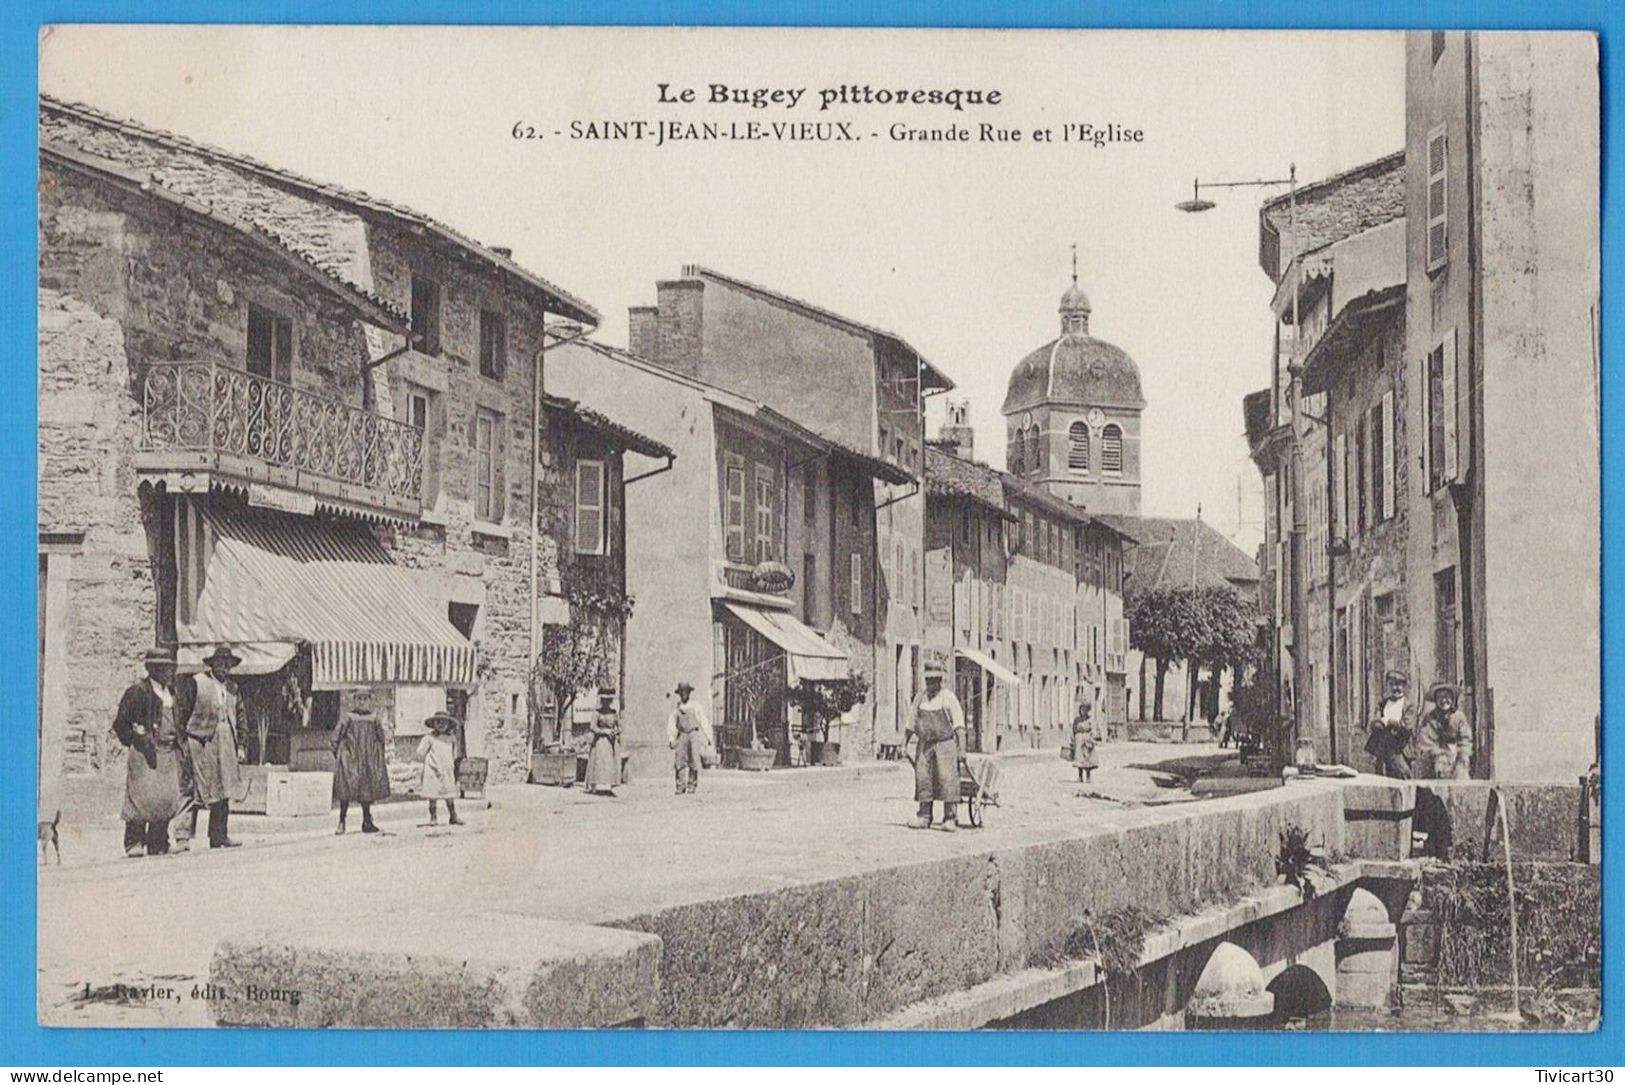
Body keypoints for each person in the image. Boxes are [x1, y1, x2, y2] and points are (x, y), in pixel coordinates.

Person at [110, 647, 187, 857]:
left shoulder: (172, 693)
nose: (168, 672)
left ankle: (158, 841)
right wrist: (137, 740)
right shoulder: (138, 692)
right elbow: (121, 724)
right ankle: (134, 842)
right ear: (153, 669)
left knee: (164, 798)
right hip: (145, 753)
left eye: (170, 668)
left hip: (168, 754)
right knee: (140, 797)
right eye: (164, 668)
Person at [182, 645, 246, 848]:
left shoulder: (233, 689)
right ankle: (183, 836)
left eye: (227, 665)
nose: (224, 669)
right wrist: (185, 741)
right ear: (213, 665)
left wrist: (241, 745)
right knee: (197, 788)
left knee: (223, 788)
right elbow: (183, 712)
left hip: (227, 740)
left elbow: (242, 718)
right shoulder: (198, 683)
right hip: (203, 740)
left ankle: (219, 836)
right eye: (220, 664)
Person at [906, 660, 966, 831]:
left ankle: (950, 817)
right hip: (925, 745)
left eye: (934, 680)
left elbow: (959, 726)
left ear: (940, 680)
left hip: (945, 744)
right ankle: (924, 816)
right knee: (923, 779)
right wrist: (903, 744)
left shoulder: (949, 698)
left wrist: (962, 749)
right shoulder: (920, 698)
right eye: (928, 680)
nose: (931, 684)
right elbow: (910, 723)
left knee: (947, 780)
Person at [331, 704, 390, 834]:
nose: (362, 702)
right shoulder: (347, 718)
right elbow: (335, 738)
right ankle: (342, 821)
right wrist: (341, 756)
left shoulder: (374, 718)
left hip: (367, 759)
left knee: (366, 790)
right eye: (359, 699)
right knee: (345, 789)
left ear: (370, 700)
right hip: (351, 758)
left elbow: (381, 738)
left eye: (365, 699)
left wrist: (376, 757)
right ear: (355, 700)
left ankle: (367, 821)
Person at [1416, 682, 1473, 780]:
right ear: (1435, 700)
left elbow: (1466, 739)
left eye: (1447, 697)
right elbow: (1425, 740)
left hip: (1456, 754)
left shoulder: (1459, 717)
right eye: (1440, 697)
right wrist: (1438, 754)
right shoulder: (1430, 718)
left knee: (1461, 775)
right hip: (1436, 756)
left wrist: (1462, 755)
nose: (1444, 700)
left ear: (1452, 698)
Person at [1364, 670, 1414, 779]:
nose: (1395, 688)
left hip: (1398, 748)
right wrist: (1378, 723)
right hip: (1382, 747)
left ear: (1404, 687)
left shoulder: (1409, 706)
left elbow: (1406, 726)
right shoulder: (1383, 704)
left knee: (1402, 774)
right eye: (1391, 684)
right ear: (1386, 686)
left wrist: (1388, 722)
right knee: (1380, 777)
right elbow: (1375, 722)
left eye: (1399, 685)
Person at [667, 681, 714, 795]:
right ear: (679, 694)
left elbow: (703, 721)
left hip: (693, 734)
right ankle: (680, 786)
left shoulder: (695, 706)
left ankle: (692, 785)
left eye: (686, 692)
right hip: (682, 734)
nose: (684, 695)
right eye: (682, 692)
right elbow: (672, 723)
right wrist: (671, 739)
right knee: (679, 760)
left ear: (689, 693)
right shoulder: (677, 707)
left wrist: (709, 737)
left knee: (694, 760)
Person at [416, 712, 463, 826]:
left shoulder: (451, 738)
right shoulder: (429, 738)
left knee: (449, 794)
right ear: (433, 724)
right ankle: (433, 817)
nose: (441, 724)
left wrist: (454, 766)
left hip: (446, 769)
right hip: (433, 770)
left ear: (448, 724)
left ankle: (453, 816)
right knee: (433, 795)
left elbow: (455, 753)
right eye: (438, 722)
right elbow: (420, 753)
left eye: (444, 722)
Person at [585, 686, 622, 796]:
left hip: (610, 742)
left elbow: (620, 727)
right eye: (604, 700)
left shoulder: (614, 713)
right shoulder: (597, 713)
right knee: (598, 763)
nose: (606, 702)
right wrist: (603, 731)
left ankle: (610, 784)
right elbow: (592, 727)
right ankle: (594, 785)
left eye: (608, 700)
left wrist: (615, 731)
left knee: (610, 763)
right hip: (600, 741)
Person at [1070, 694, 1099, 783]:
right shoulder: (1077, 720)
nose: (1083, 711)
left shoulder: (1090, 720)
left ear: (1087, 710)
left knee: (1087, 759)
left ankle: (1088, 776)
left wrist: (1092, 739)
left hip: (1087, 741)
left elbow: (1094, 730)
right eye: (1081, 709)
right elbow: (1073, 730)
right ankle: (1079, 776)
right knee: (1079, 759)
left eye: (1085, 709)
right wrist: (1072, 740)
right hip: (1079, 741)